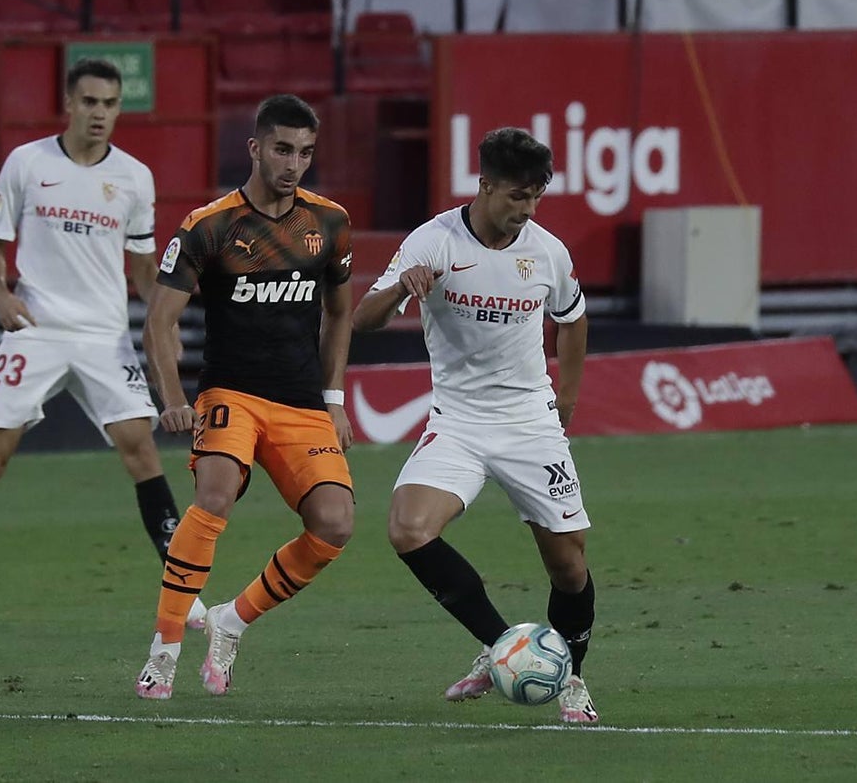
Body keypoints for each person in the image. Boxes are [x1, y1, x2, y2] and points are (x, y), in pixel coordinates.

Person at [0, 58, 205, 631]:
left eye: (110, 104)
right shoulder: (28, 163)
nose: (100, 113)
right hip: (37, 329)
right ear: (69, 103)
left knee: (141, 450)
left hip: (103, 334)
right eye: (90, 102)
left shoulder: (134, 177)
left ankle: (183, 593)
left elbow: (143, 266)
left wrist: (165, 319)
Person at [352, 127, 599, 723]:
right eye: (517, 195)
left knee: (569, 566)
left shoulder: (548, 252)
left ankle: (573, 678)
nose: (528, 208)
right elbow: (363, 319)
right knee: (409, 529)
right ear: (485, 185)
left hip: (529, 422)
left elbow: (572, 318)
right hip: (458, 421)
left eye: (536, 196)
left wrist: (566, 397)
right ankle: (502, 646)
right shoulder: (433, 241)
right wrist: (401, 289)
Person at [134, 93, 355, 700]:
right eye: (283, 149)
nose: (294, 164)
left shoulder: (329, 222)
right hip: (230, 391)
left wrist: (334, 398)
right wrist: (173, 398)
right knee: (215, 494)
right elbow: (159, 320)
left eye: (305, 152)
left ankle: (231, 621)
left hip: (301, 402)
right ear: (255, 148)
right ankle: (164, 650)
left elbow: (340, 313)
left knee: (335, 524)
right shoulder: (209, 226)